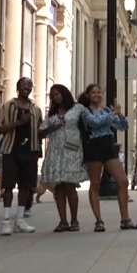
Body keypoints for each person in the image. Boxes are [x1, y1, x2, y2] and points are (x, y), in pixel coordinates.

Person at [78, 83, 137, 231]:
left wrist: (119, 114)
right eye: (94, 93)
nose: (97, 95)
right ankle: (99, 221)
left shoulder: (106, 110)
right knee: (95, 183)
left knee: (123, 181)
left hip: (108, 146)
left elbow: (123, 126)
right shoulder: (85, 111)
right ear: (88, 95)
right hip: (94, 146)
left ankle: (125, 219)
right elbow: (94, 123)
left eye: (99, 92)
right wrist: (112, 114)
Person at [0, 77, 51, 236]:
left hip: (30, 151)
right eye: (24, 85)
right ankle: (6, 220)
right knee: (8, 186)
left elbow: (39, 132)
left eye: (29, 85)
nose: (27, 87)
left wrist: (49, 130)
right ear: (18, 88)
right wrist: (18, 123)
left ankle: (20, 219)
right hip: (11, 150)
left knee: (26, 187)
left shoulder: (36, 109)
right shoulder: (7, 107)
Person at [39, 84, 88, 232]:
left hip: (72, 151)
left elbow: (87, 125)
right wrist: (50, 128)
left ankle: (74, 220)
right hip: (55, 151)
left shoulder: (78, 109)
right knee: (58, 187)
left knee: (70, 186)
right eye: (52, 95)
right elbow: (40, 133)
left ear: (64, 93)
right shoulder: (51, 114)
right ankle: (63, 221)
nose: (55, 97)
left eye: (57, 94)